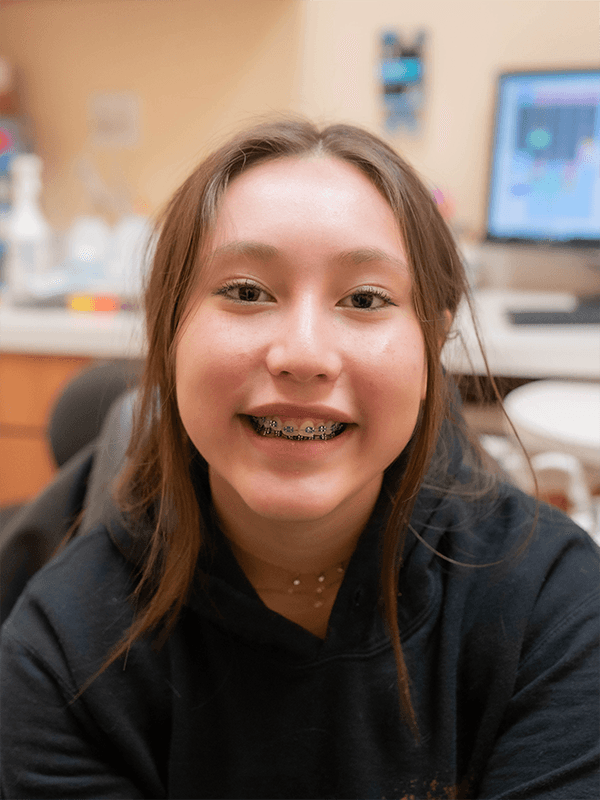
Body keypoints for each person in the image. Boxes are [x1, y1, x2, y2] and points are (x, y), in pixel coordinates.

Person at [1, 118, 598, 800]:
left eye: (366, 299)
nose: (304, 355)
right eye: (247, 292)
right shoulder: (62, 655)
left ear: (432, 344)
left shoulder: (553, 607)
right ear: (169, 334)